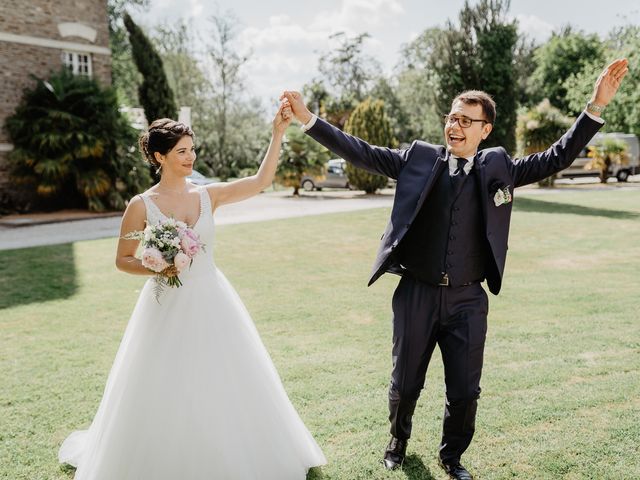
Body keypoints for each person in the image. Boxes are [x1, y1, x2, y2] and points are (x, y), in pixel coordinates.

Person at [282, 58, 628, 479]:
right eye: (451, 117)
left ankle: (452, 456)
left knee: (465, 390)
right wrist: (307, 119)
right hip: (417, 293)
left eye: (467, 120)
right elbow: (361, 151)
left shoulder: (499, 168)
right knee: (405, 382)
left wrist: (594, 107)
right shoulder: (418, 159)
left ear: (485, 130)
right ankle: (398, 440)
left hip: (468, 298)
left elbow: (557, 156)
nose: (455, 126)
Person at [58, 100, 326, 479]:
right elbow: (123, 259)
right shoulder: (141, 205)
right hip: (165, 305)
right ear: (159, 156)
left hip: (213, 300)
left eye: (192, 149)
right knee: (162, 381)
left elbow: (261, 182)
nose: (190, 157)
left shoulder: (207, 195)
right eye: (182, 151)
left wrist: (277, 133)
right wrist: (158, 264)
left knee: (225, 377)